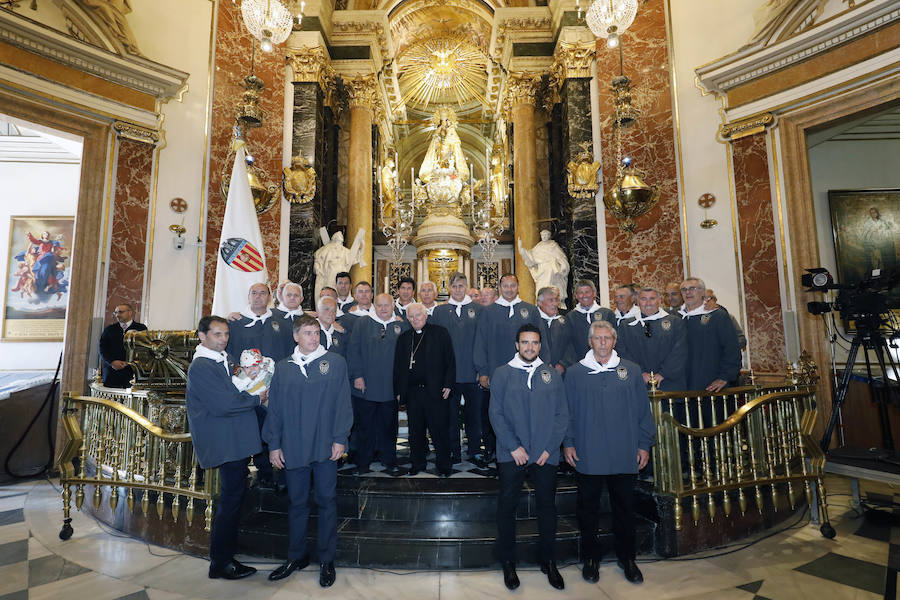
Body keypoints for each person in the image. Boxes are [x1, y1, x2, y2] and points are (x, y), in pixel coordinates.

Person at [263, 315, 352, 587]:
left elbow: (343, 403)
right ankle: (296, 556)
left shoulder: (335, 363)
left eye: (317, 333)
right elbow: (274, 409)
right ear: (296, 336)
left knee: (326, 502)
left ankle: (327, 559)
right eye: (308, 333)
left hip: (326, 445)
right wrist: (274, 444)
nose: (314, 337)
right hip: (293, 446)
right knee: (297, 503)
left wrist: (340, 438)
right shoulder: (283, 367)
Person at [564, 320, 655, 585]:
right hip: (587, 453)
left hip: (624, 452)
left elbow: (643, 412)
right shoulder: (574, 373)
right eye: (598, 338)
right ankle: (591, 559)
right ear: (589, 341)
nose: (603, 342)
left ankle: (627, 558)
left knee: (625, 510)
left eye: (607, 338)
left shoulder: (631, 370)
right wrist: (568, 442)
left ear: (614, 341)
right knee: (588, 511)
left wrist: (643, 444)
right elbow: (566, 412)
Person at [490, 324, 568, 591]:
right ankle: (508, 562)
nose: (530, 347)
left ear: (540, 345)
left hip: (545, 454)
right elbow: (496, 414)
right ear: (516, 344)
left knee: (547, 507)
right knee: (507, 507)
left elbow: (561, 415)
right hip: (512, 453)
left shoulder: (551, 374)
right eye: (525, 343)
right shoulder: (502, 373)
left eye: (535, 343)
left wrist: (548, 448)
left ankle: (549, 560)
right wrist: (513, 447)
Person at [186, 316, 262, 580]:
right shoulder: (202, 366)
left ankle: (226, 557)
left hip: (234, 439)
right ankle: (220, 562)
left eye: (226, 334)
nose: (223, 339)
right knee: (229, 501)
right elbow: (224, 404)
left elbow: (237, 382)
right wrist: (256, 399)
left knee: (234, 498)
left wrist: (253, 375)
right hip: (224, 440)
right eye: (217, 334)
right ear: (202, 336)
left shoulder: (223, 358)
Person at [474, 273, 541, 462]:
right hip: (496, 374)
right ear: (500, 288)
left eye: (513, 285)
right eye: (505, 285)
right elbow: (480, 343)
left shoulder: (530, 310)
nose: (509, 289)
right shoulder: (488, 312)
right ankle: (492, 451)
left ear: (518, 287)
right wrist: (483, 371)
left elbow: (540, 341)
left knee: (523, 413)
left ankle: (526, 450)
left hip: (525, 374)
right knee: (495, 413)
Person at [347, 293, 410, 475]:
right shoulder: (363, 323)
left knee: (389, 426)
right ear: (374, 306)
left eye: (387, 305)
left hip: (390, 388)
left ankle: (389, 459)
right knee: (365, 426)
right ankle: (363, 461)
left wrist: (401, 386)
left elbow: (406, 358)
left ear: (393, 306)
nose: (383, 309)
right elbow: (354, 350)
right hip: (365, 386)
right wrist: (357, 376)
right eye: (380, 305)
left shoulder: (401, 325)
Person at [393, 303, 456, 476]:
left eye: (418, 315)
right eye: (411, 317)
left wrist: (449, 384)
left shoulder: (440, 333)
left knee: (439, 430)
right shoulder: (405, 338)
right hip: (413, 393)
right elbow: (398, 368)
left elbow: (450, 361)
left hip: (435, 391)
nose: (415, 319)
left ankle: (444, 465)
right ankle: (417, 463)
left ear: (426, 315)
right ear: (407, 319)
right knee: (415, 431)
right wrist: (399, 391)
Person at [433, 272, 483, 464]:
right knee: (450, 416)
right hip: (449, 376)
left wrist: (482, 370)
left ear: (466, 286)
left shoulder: (478, 309)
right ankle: (453, 451)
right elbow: (436, 346)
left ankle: (475, 450)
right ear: (449, 289)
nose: (458, 290)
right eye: (454, 287)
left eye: (461, 286)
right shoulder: (439, 312)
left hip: (473, 373)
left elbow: (483, 342)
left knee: (474, 416)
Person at [616, 287, 687, 391]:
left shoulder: (676, 322)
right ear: (638, 301)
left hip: (669, 382)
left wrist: (663, 374)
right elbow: (623, 352)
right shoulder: (625, 325)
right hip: (637, 382)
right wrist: (641, 373)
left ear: (659, 300)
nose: (648, 303)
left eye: (652, 298)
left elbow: (679, 351)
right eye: (643, 299)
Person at [679, 278, 741, 392]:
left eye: (692, 288)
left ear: (703, 292)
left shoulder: (718, 316)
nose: (687, 292)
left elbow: (732, 349)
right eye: (684, 289)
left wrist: (724, 377)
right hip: (681, 386)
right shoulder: (676, 318)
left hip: (711, 385)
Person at [98, 303, 147, 388]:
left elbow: (144, 348)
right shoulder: (109, 329)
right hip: (112, 372)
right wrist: (112, 362)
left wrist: (131, 363)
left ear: (130, 312)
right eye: (115, 313)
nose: (117, 315)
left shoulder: (141, 328)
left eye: (120, 312)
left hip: (132, 372)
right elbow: (102, 349)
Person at [518, 230, 571, 304]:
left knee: (553, 291)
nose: (544, 236)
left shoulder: (554, 246)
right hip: (542, 272)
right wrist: (522, 250)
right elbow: (530, 258)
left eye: (546, 235)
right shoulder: (538, 247)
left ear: (549, 236)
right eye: (543, 235)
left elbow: (562, 258)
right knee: (542, 291)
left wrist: (563, 266)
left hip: (553, 272)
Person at [567, 279, 615, 357]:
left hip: (605, 360)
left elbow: (614, 340)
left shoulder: (607, 314)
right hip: (579, 362)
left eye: (587, 292)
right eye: (581, 293)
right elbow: (568, 344)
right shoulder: (570, 317)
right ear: (576, 295)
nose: (584, 296)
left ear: (594, 293)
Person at [536, 286, 574, 374]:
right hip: (538, 370)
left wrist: (562, 364)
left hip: (562, 372)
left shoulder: (566, 320)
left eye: (556, 300)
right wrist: (544, 364)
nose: (555, 304)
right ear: (540, 302)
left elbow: (571, 346)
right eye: (551, 300)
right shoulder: (533, 321)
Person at [861, 207, 896, 274]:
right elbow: (865, 234)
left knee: (885, 260)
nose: (873, 214)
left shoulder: (882, 222)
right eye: (871, 213)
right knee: (876, 262)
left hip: (883, 244)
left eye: (874, 212)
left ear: (877, 213)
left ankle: (887, 274)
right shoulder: (868, 223)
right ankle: (877, 276)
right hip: (873, 245)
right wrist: (872, 231)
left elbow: (888, 232)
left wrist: (882, 231)